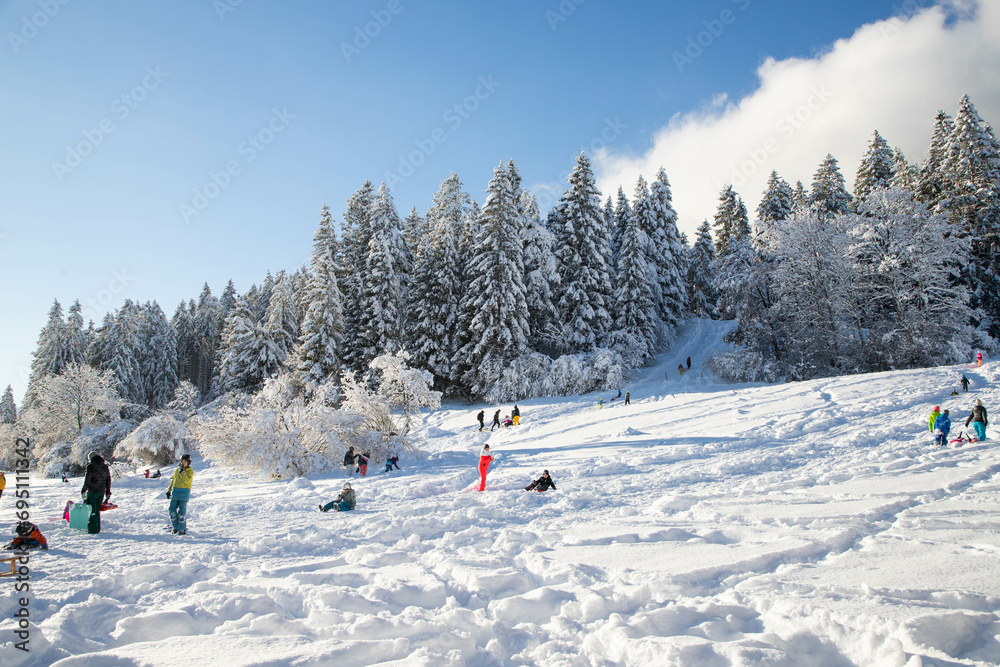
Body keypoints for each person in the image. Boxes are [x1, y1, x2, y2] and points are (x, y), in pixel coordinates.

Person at [81, 452, 111, 535]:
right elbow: (108, 480)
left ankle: (93, 530)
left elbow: (87, 480)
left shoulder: (91, 467)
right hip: (101, 491)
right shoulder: (105, 467)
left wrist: (83, 490)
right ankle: (97, 528)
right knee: (97, 510)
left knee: (92, 510)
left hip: (93, 492)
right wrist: (108, 492)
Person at [165, 454, 193, 535]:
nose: (183, 463)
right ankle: (175, 526)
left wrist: (183, 472)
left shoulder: (190, 471)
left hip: (184, 493)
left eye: (185, 461)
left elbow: (186, 481)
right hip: (175, 492)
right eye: (182, 461)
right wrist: (169, 490)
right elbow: (173, 481)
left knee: (181, 512)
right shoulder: (176, 471)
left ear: (188, 463)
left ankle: (181, 528)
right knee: (172, 510)